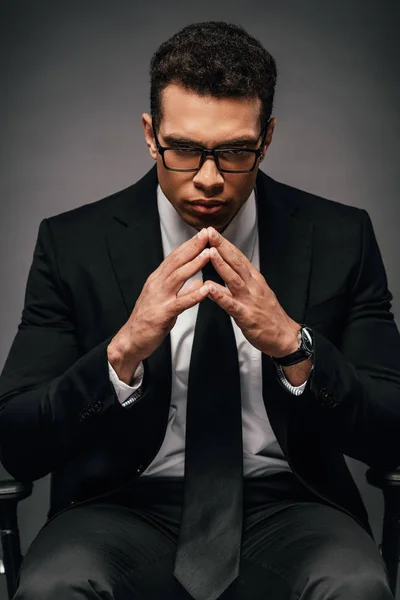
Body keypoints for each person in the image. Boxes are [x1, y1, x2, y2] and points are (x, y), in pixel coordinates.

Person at [0, 20, 399, 600]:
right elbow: (15, 439)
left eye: (236, 151)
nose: (209, 179)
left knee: (357, 587)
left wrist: (295, 346)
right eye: (185, 149)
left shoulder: (341, 236)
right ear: (149, 133)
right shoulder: (73, 244)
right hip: (119, 506)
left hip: (291, 505)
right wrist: (122, 353)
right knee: (52, 588)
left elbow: (391, 430)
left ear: (266, 137)